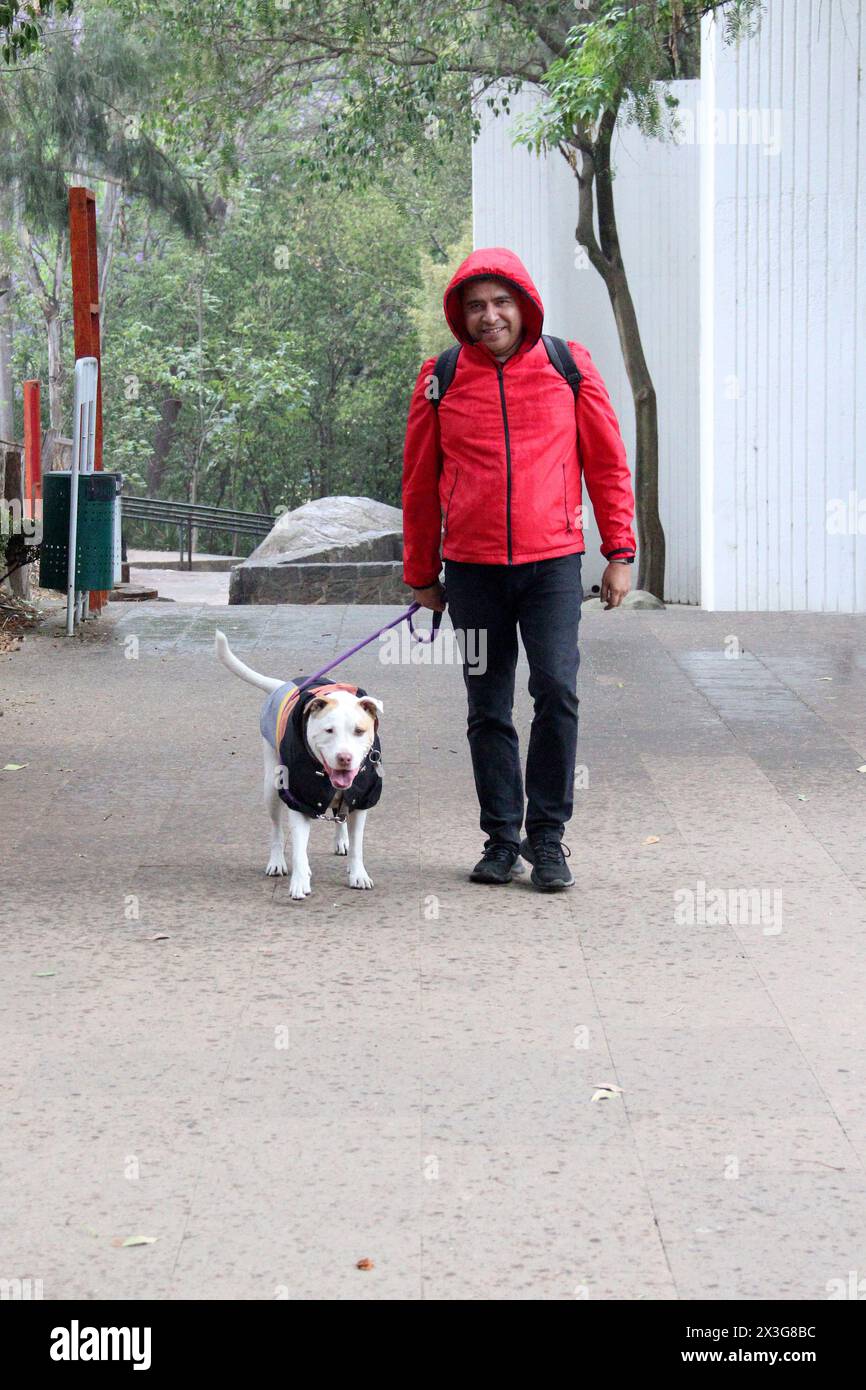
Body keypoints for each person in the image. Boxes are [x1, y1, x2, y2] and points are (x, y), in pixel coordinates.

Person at [401, 247, 636, 891]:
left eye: (501, 302)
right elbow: (419, 482)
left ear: (524, 305)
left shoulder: (568, 365)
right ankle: (501, 837)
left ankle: (549, 838)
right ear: (461, 314)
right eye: (475, 306)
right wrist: (422, 573)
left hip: (553, 566)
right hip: (472, 573)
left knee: (556, 690)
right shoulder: (441, 376)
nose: (490, 316)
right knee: (487, 705)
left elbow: (608, 462)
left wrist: (620, 552)